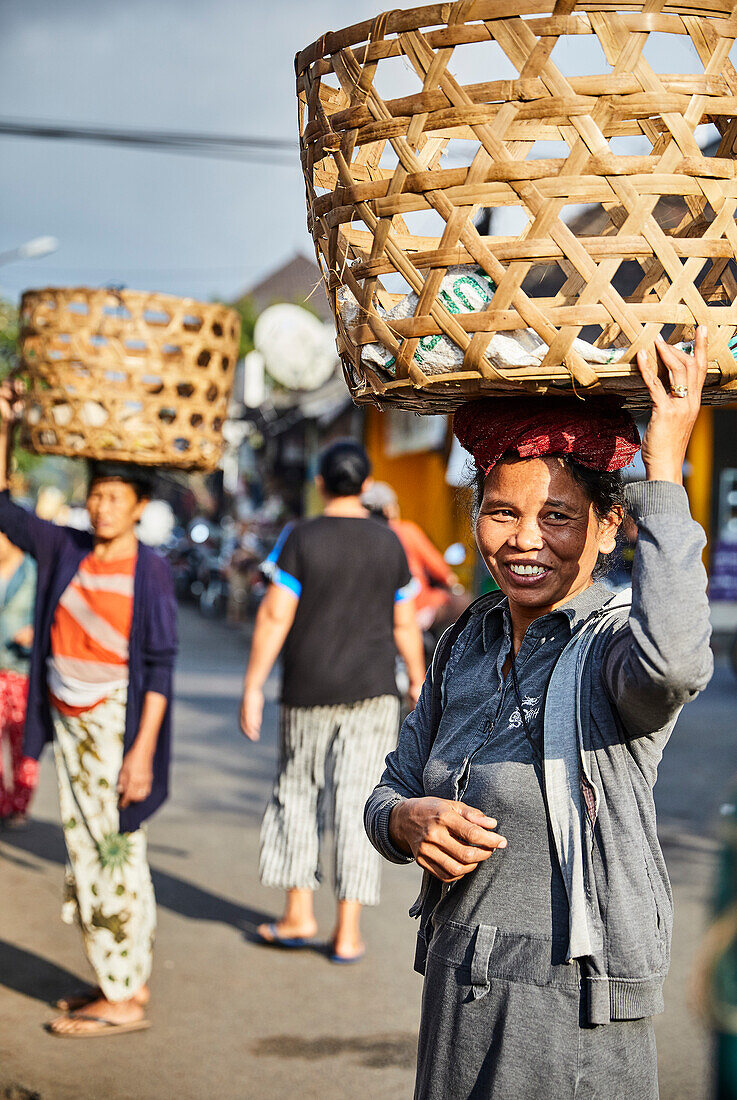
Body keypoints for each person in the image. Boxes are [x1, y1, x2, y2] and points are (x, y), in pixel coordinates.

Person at [365, 332, 713, 1099]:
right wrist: (402, 822)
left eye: (557, 515)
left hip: (572, 1010)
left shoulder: (612, 653)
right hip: (456, 983)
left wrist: (663, 472)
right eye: (500, 512)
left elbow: (677, 662)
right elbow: (388, 788)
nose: (524, 540)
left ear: (607, 525)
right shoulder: (465, 641)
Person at [0, 381, 177, 1038]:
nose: (102, 508)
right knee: (89, 849)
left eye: (116, 498)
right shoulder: (66, 547)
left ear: (138, 506)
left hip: (115, 729)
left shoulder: (150, 569)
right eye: (96, 496)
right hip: (70, 725)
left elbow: (159, 667)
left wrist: (139, 752)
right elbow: (2, 508)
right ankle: (118, 977)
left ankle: (124, 997)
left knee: (112, 851)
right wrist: (8, 427)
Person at [240, 439, 425, 963]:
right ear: (365, 486)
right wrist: (417, 678)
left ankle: (298, 914)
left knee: (297, 793)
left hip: (307, 689)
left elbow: (276, 613)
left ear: (320, 483)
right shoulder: (388, 542)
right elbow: (404, 619)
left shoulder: (300, 537)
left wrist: (253, 685)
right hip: (372, 693)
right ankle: (348, 931)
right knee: (359, 801)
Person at [362, 481, 462, 632]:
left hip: (374, 614)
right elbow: (439, 568)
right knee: (461, 603)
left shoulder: (359, 536)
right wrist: (449, 579)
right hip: (416, 609)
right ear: (389, 509)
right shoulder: (405, 531)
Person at [0, 529, 37, 824]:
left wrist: (34, 634)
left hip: (21, 670)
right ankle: (1, 803)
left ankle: (20, 804)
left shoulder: (33, 571)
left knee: (21, 745)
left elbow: (51, 613)